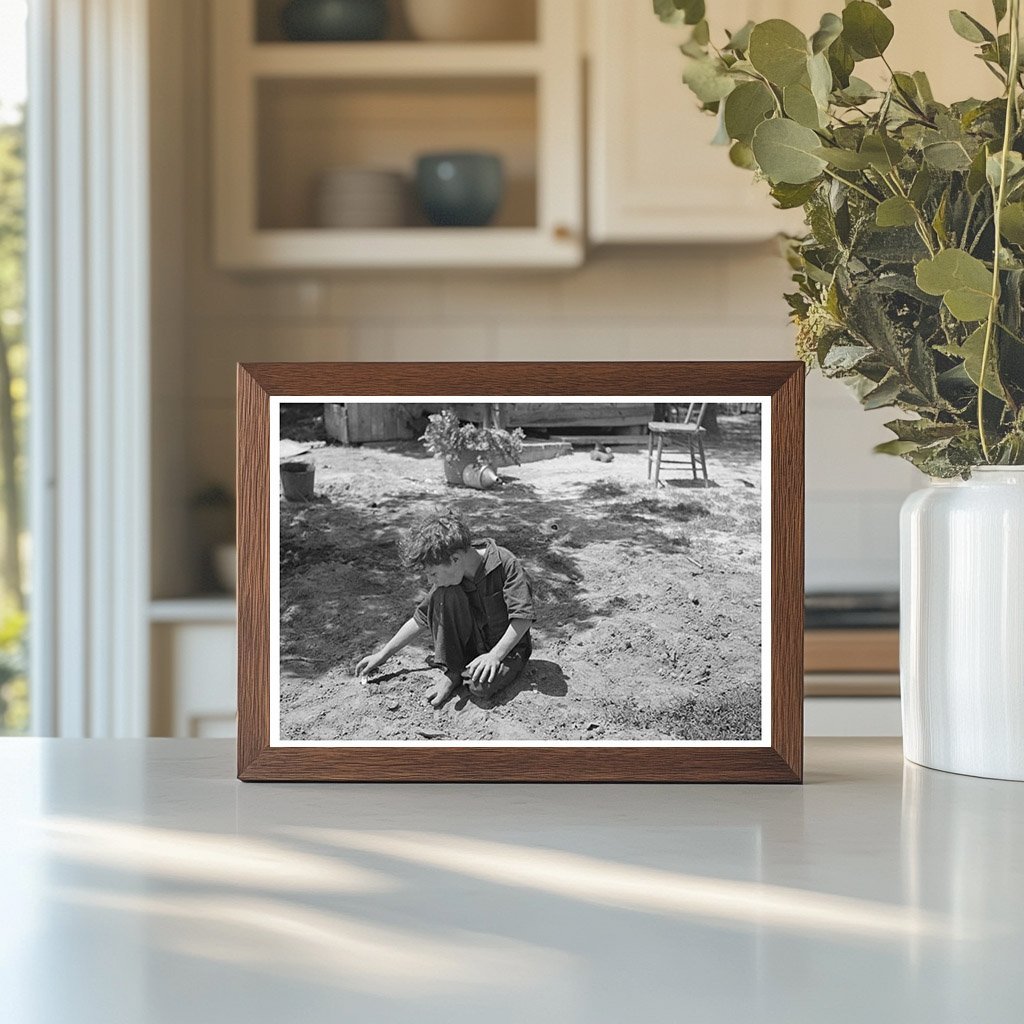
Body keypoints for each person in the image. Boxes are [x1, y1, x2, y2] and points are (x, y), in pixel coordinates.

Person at [355, 508, 535, 707]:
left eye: (433, 574)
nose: (431, 580)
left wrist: (494, 656)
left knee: (479, 686)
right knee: (442, 595)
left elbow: (523, 618)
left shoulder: (505, 563)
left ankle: (466, 672)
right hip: (474, 646)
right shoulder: (451, 576)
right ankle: (454, 673)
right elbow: (420, 619)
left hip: (506, 650)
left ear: (456, 559)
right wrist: (382, 655)